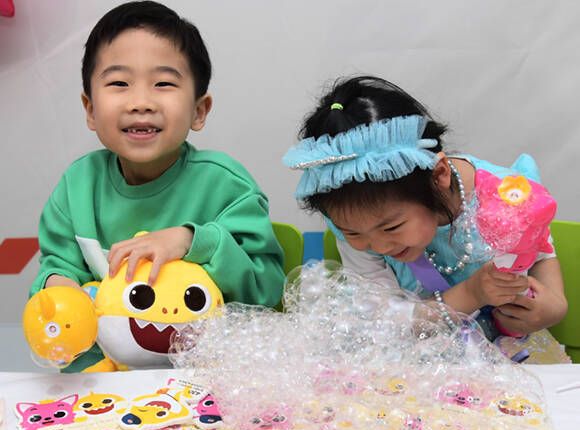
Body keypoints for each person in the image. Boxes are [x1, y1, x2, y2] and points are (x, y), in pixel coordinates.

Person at [30, 1, 285, 371]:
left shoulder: (225, 184)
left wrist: (193, 241)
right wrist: (59, 287)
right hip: (105, 378)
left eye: (163, 83)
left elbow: (266, 288)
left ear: (199, 110)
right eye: (119, 83)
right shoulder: (77, 186)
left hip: (208, 377)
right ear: (90, 109)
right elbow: (58, 267)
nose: (141, 102)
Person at [283, 76, 568, 362]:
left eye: (392, 227)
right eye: (353, 233)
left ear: (439, 175)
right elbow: (383, 322)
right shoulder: (351, 219)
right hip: (415, 361)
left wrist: (555, 305)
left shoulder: (505, 196)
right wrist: (470, 294)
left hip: (511, 356)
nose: (379, 246)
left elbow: (541, 252)